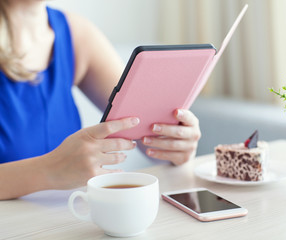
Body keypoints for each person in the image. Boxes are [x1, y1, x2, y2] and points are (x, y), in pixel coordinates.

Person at [0, 0, 201, 200]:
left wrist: (175, 143)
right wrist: (48, 170)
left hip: (64, 220)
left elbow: (147, 134)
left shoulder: (75, 33)